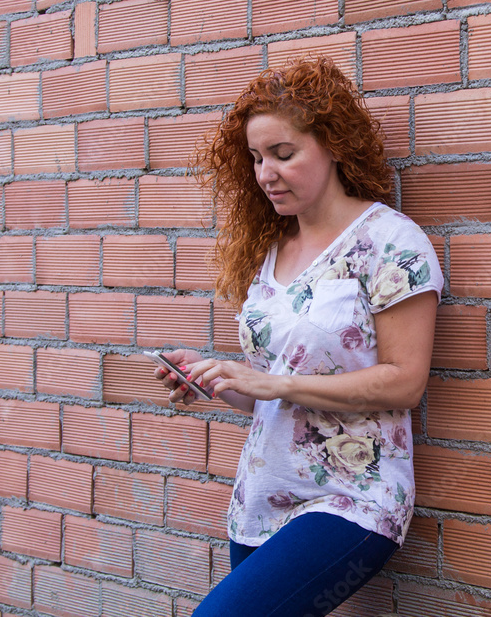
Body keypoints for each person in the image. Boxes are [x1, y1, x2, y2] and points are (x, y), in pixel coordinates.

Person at [153, 56, 442, 616]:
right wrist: (216, 380)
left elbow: (405, 382)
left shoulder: (390, 243)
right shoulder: (271, 253)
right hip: (260, 498)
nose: (266, 173)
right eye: (257, 158)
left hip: (354, 502)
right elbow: (273, 393)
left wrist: (268, 380)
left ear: (333, 144)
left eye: (283, 154)